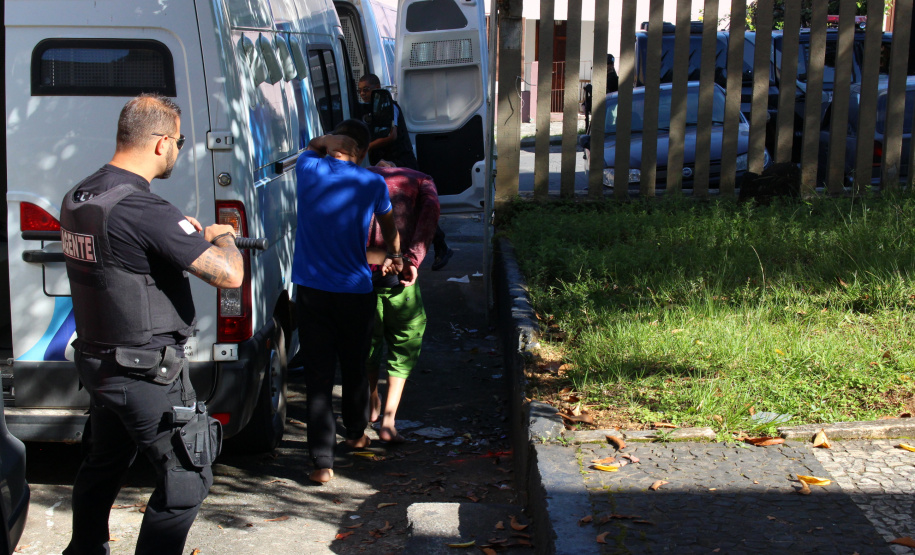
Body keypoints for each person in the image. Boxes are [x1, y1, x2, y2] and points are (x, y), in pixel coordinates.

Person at [60, 93, 244, 555]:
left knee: (103, 464)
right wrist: (226, 237)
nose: (178, 151)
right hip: (146, 372)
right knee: (187, 479)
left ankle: (83, 549)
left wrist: (171, 236)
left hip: (101, 365)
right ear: (162, 142)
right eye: (179, 142)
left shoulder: (83, 195)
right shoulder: (143, 208)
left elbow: (125, 258)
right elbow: (230, 275)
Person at [292, 119, 403, 484]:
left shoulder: (308, 169)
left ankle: (322, 463)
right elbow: (389, 225)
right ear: (362, 151)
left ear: (333, 145)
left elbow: (312, 143)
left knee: (318, 377)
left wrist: (326, 140)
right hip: (354, 292)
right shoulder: (372, 182)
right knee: (354, 366)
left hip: (311, 292)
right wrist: (395, 253)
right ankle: (356, 434)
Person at [365, 160, 440, 442]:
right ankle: (388, 421)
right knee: (404, 342)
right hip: (399, 274)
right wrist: (413, 259)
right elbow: (431, 212)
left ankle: (372, 398)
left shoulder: (357, 176)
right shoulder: (421, 179)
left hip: (360, 274)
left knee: (367, 341)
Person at [357, 73, 453, 271]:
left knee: (418, 207)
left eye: (366, 89)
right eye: (360, 91)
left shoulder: (389, 106)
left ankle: (440, 246)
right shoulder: (373, 109)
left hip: (401, 161)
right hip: (387, 163)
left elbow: (391, 135)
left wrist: (365, 146)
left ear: (377, 88)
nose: (363, 94)